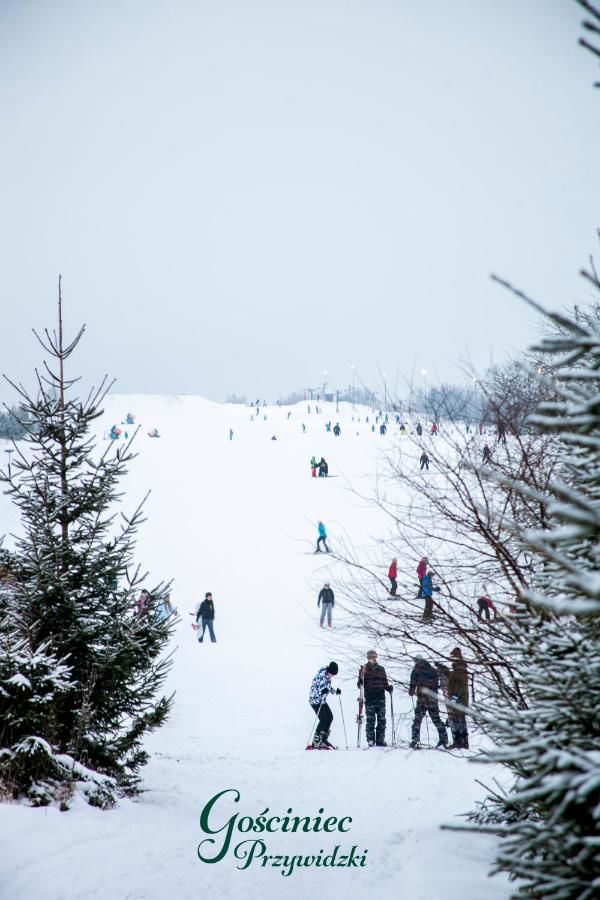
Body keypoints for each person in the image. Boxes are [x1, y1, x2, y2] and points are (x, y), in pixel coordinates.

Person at [408, 656, 448, 749]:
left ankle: (415, 740)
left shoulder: (416, 669)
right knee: (436, 720)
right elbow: (437, 684)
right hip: (433, 698)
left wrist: (411, 691)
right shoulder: (433, 670)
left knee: (417, 720)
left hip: (422, 698)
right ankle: (443, 740)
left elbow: (412, 683)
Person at [359, 650, 393, 747]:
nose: (373, 658)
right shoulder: (364, 669)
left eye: (374, 657)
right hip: (370, 698)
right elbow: (360, 685)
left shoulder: (381, 669)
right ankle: (370, 739)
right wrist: (360, 680)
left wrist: (388, 688)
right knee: (371, 720)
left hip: (381, 698)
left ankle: (380, 739)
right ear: (368, 658)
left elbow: (385, 683)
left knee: (382, 720)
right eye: (371, 657)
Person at [308, 661, 340, 748]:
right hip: (315, 700)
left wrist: (335, 691)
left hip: (322, 700)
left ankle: (323, 739)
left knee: (330, 717)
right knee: (323, 719)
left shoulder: (328, 676)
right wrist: (322, 691)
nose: (333, 676)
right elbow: (318, 687)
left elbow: (328, 687)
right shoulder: (321, 675)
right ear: (329, 670)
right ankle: (316, 741)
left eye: (334, 674)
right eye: (332, 674)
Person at [447, 648, 469, 749]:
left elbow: (460, 685)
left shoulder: (460, 669)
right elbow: (453, 679)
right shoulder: (458, 669)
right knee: (460, 719)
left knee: (458, 719)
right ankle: (463, 742)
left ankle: (460, 741)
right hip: (461, 698)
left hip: (459, 699)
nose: (451, 659)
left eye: (452, 656)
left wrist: (455, 697)